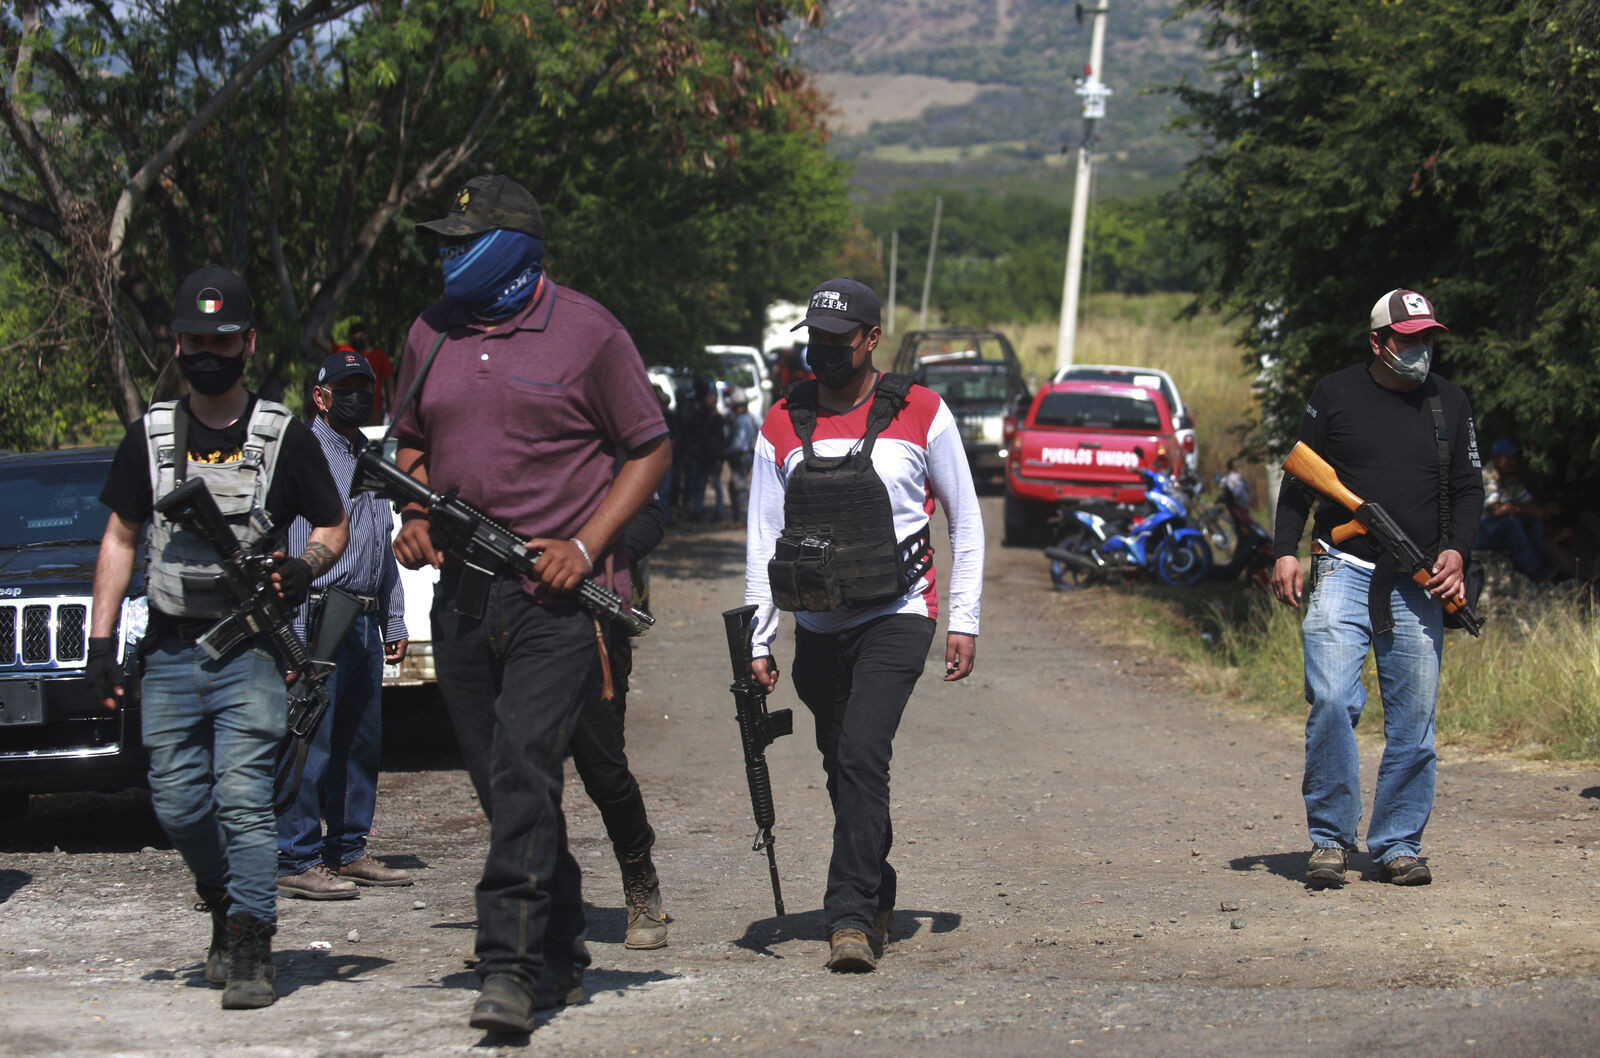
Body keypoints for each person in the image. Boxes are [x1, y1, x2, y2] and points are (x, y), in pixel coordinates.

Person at [389, 174, 670, 1033]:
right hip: (463, 599)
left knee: (524, 769)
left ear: (511, 247)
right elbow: (408, 441)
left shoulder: (588, 332)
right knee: (504, 784)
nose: (444, 255)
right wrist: (412, 508)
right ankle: (561, 950)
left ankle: (507, 967)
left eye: (460, 241)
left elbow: (650, 449)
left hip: (562, 605)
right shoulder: (429, 333)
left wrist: (584, 546)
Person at [87, 265, 349, 1009]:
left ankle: (252, 944)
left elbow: (334, 524)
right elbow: (119, 536)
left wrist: (303, 569)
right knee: (176, 802)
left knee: (242, 798)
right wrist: (100, 646)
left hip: (252, 654)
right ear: (176, 343)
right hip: (170, 649)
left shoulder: (282, 435)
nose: (208, 350)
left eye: (222, 338)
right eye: (196, 338)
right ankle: (223, 901)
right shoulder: (152, 434)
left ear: (247, 343)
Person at [742, 278, 984, 972]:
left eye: (836, 340)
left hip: (898, 614)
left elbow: (965, 520)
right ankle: (878, 881)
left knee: (860, 755)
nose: (822, 352)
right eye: (812, 339)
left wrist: (962, 617)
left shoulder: (922, 413)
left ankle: (848, 916)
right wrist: (759, 637)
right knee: (842, 766)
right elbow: (762, 538)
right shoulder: (781, 423)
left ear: (871, 339)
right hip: (818, 625)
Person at [1270, 288, 1483, 888]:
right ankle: (1332, 840)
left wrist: (1457, 552)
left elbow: (1470, 489)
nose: (1420, 350)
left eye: (1428, 338)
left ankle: (1398, 845)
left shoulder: (1451, 401)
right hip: (1342, 568)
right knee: (1334, 699)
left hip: (1420, 583)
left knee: (1414, 722)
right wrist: (1286, 549)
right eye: (1408, 339)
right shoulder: (1335, 393)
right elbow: (1299, 479)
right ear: (1378, 341)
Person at [274, 351, 412, 900]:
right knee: (311, 739)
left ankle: (348, 849)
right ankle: (297, 854)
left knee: (360, 740)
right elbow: (293, 543)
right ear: (321, 395)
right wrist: (292, 627)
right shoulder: (304, 452)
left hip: (363, 616)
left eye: (367, 386)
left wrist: (394, 615)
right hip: (316, 613)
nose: (360, 395)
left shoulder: (371, 459)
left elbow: (382, 547)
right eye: (347, 386)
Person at [568, 498, 670, 951]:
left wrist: (589, 552)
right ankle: (516, 907)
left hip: (592, 626)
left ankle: (639, 876)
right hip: (513, 621)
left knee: (604, 771)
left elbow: (650, 516)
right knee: (515, 770)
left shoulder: (598, 435)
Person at [1474, 438, 1558, 583]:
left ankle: (1536, 561)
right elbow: (1497, 511)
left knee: (1532, 521)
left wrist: (1543, 510)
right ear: (1497, 457)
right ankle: (1534, 570)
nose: (1513, 462)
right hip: (1479, 531)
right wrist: (1529, 510)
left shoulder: (1510, 479)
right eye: (1509, 457)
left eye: (1515, 458)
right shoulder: (1487, 475)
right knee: (1511, 523)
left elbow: (1529, 502)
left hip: (1497, 528)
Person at [334, 322, 395, 425]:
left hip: (375, 410)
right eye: (352, 336)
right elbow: (322, 342)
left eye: (358, 335)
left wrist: (392, 407)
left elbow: (389, 382)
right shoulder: (348, 352)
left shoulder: (379, 354)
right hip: (352, 408)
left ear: (366, 335)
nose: (356, 338)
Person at [683, 380, 727, 522]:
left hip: (713, 457)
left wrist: (720, 457)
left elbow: (721, 440)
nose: (707, 402)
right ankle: (697, 511)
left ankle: (719, 512)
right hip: (703, 456)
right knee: (700, 485)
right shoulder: (702, 417)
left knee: (716, 486)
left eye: (710, 400)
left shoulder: (718, 419)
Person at [724, 394, 758, 523]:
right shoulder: (749, 418)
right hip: (746, 454)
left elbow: (738, 444)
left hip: (741, 455)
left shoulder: (741, 421)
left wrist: (725, 451)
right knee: (736, 485)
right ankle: (739, 516)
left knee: (740, 486)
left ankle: (743, 518)